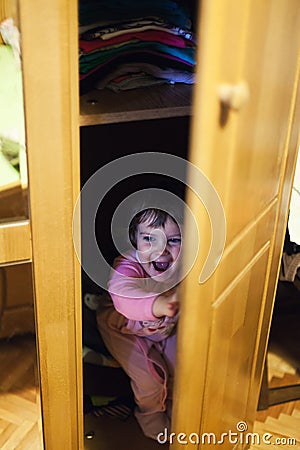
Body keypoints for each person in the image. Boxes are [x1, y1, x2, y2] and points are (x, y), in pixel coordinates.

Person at [97, 207, 182, 440]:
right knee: (150, 380)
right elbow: (123, 295)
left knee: (183, 371)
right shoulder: (128, 265)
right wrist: (160, 303)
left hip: (163, 327)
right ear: (134, 240)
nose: (161, 250)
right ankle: (152, 422)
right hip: (123, 327)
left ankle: (180, 415)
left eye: (173, 240)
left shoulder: (185, 265)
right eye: (149, 239)